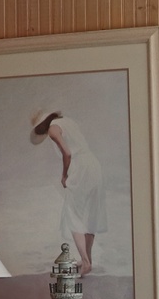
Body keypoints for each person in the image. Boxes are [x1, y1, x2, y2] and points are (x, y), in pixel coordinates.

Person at [30, 109, 107, 276]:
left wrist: (64, 175)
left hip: (80, 168)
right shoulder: (68, 121)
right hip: (93, 164)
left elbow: (68, 153)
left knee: (73, 215)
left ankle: (85, 262)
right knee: (89, 213)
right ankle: (88, 260)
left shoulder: (52, 129)